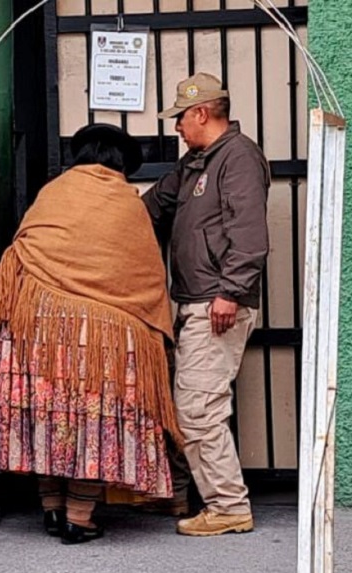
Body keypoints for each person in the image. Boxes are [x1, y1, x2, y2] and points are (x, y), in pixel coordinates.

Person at [0, 124, 180, 545]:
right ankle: (78, 517)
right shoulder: (126, 203)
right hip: (101, 338)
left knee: (48, 414)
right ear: (121, 164)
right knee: (93, 419)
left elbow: (20, 253)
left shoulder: (53, 193)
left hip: (37, 330)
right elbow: (142, 275)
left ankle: (52, 510)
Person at [143, 72, 270, 537]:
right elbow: (152, 206)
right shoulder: (196, 162)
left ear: (201, 112)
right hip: (196, 301)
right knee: (194, 405)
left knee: (198, 408)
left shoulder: (238, 158)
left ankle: (229, 506)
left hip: (217, 303)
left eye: (180, 117)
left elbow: (249, 233)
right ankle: (208, 499)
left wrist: (230, 292)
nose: (176, 126)